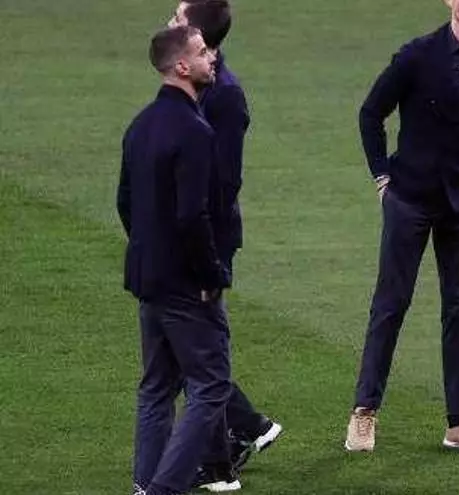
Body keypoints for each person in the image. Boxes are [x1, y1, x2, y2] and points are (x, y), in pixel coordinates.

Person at [345, 0, 459, 455]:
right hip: (411, 199)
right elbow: (371, 113)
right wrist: (382, 179)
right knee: (391, 304)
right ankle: (364, 411)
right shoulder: (416, 56)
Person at [117, 26, 238, 495]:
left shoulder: (140, 124)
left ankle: (144, 485)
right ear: (182, 66)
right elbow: (192, 215)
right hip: (186, 284)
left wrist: (151, 248)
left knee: (156, 387)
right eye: (203, 52)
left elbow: (125, 202)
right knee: (210, 386)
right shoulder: (194, 131)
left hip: (147, 276)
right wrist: (210, 274)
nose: (212, 58)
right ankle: (164, 490)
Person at [168, 0, 283, 472]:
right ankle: (232, 440)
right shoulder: (192, 83)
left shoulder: (225, 96)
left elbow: (224, 181)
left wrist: (204, 253)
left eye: (177, 17)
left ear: (198, 34)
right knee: (188, 346)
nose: (170, 22)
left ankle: (239, 435)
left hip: (206, 238)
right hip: (187, 231)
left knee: (194, 348)